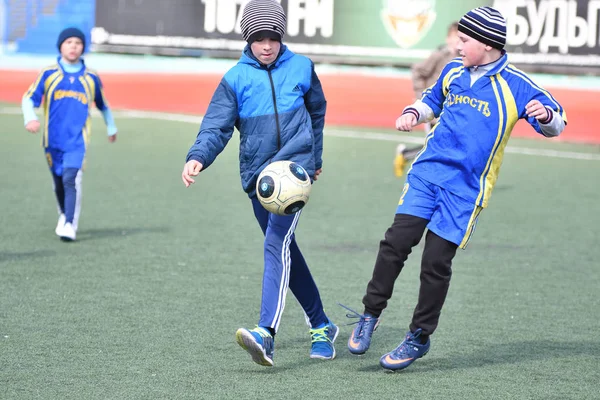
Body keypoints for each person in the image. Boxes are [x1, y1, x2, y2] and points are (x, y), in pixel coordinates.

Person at [344, 6, 566, 372]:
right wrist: (415, 113)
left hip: (465, 191)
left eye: (464, 40)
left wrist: (546, 118)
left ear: (487, 43)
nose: (457, 46)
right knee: (396, 242)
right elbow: (431, 100)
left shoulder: (517, 85)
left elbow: (557, 122)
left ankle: (418, 336)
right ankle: (371, 313)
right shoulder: (451, 71)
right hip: (428, 174)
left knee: (435, 262)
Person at [181, 0, 337, 367]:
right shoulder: (235, 78)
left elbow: (317, 111)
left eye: (273, 37)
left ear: (281, 37)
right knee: (286, 251)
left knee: (275, 244)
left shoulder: (302, 67)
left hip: (293, 174)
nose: (266, 45)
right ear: (247, 38)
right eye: (258, 38)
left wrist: (313, 158)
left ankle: (266, 332)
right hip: (259, 178)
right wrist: (197, 156)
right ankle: (321, 324)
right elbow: (216, 126)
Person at [22, 27, 118, 242]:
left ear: (84, 47)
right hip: (52, 141)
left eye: (78, 42)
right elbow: (28, 98)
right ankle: (64, 214)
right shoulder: (49, 74)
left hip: (77, 142)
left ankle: (69, 224)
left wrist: (111, 127)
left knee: (70, 178)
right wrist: (30, 117)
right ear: (61, 46)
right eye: (69, 42)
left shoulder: (91, 77)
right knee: (58, 182)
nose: (73, 46)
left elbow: (103, 105)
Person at [394, 22, 460, 177]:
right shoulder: (440, 55)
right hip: (434, 110)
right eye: (455, 38)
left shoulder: (465, 59)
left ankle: (405, 154)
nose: (458, 43)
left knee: (442, 148)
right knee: (437, 148)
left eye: (461, 39)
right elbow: (418, 71)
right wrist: (422, 100)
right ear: (448, 39)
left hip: (450, 111)